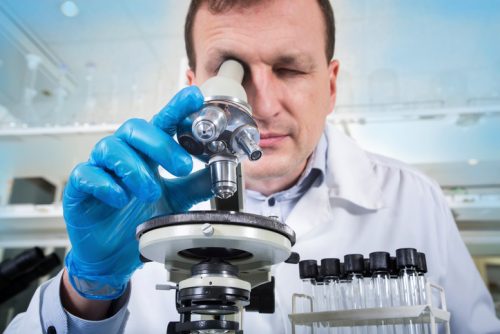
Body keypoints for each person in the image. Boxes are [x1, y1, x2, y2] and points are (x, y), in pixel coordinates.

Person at [5, 0, 500, 333]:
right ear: (193, 82)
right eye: (229, 73)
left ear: (330, 86)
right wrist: (87, 292)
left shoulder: (414, 200)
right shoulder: (136, 205)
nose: (259, 105)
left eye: (288, 69)